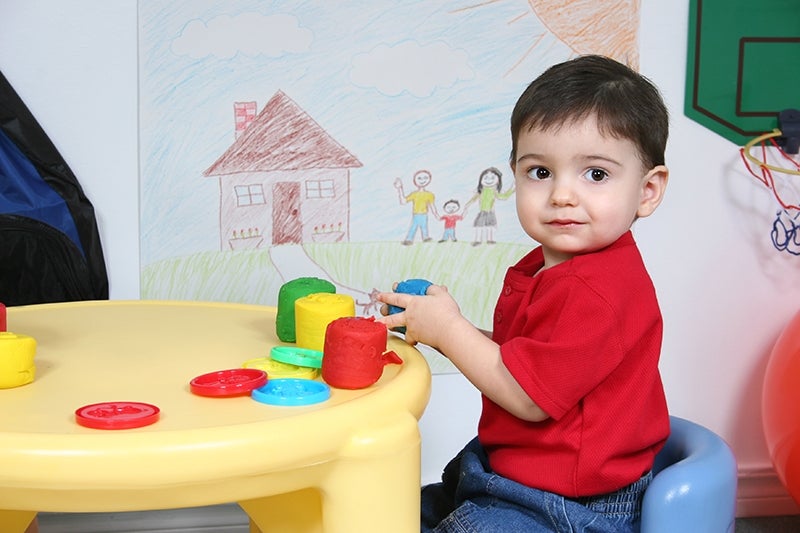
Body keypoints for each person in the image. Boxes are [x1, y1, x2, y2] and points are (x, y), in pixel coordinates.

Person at [377, 54, 671, 532]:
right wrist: (448, 326)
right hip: (513, 468)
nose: (561, 195)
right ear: (514, 173)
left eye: (595, 174)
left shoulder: (598, 289)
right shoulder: (549, 265)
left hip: (573, 501)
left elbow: (528, 395)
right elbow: (529, 356)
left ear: (647, 190)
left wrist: (450, 332)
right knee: (391, 511)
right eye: (540, 172)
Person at [465, 166, 515, 245]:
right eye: (486, 178)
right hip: (482, 212)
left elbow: (503, 196)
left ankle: (490, 240)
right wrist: (467, 205)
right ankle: (478, 240)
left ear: (498, 181)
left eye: (492, 178)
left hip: (490, 212)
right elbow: (474, 198)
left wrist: (512, 190)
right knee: (478, 226)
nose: (489, 180)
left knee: (490, 226)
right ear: (481, 180)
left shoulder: (494, 191)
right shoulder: (481, 191)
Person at [394, 169, 438, 245]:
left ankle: (425, 238)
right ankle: (409, 240)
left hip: (424, 214)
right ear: (415, 181)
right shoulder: (414, 194)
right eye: (419, 178)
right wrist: (400, 188)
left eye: (425, 178)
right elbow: (403, 201)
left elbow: (432, 206)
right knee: (413, 227)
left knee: (424, 226)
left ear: (429, 179)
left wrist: (436, 215)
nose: (422, 180)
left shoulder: (430, 195)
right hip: (416, 214)